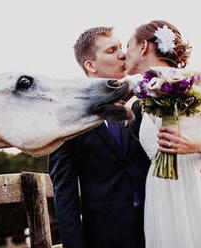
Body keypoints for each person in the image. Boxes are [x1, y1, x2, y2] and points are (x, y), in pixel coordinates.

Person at [123, 20, 201, 248]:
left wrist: (197, 146)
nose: (124, 53)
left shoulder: (196, 80)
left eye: (127, 45)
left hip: (199, 186)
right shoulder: (140, 100)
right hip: (160, 194)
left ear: (143, 47)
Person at [48, 27, 151, 248]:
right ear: (90, 65)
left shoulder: (145, 102)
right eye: (112, 50)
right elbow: (64, 193)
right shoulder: (68, 119)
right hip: (105, 235)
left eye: (121, 48)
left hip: (154, 225)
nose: (122, 54)